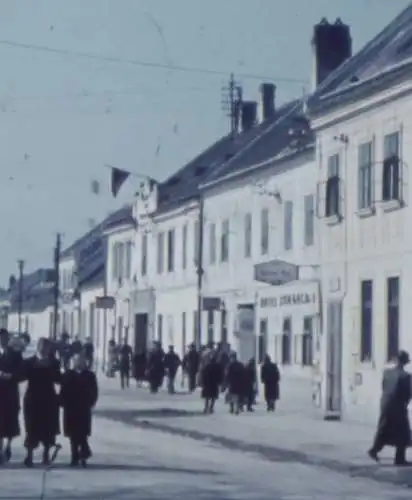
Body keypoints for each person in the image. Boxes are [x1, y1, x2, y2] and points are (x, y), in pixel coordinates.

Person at [21, 337, 61, 467]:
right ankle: (29, 456)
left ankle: (46, 454)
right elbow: (21, 376)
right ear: (38, 347)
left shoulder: (54, 363)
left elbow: (58, 379)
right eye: (42, 347)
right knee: (31, 428)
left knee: (48, 428)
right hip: (32, 400)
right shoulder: (29, 362)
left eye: (47, 347)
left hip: (49, 399)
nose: (44, 350)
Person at [368, 350, 411, 466]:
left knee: (384, 428)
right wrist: (405, 403)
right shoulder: (405, 376)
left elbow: (384, 386)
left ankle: (374, 449)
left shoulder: (386, 372)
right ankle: (399, 458)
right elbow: (407, 393)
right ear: (405, 362)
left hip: (385, 402)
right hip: (398, 405)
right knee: (402, 431)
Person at [60, 352, 98, 467]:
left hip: (83, 407)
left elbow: (94, 391)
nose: (78, 362)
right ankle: (74, 457)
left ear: (84, 361)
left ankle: (83, 455)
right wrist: (62, 402)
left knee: (82, 433)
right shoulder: (68, 374)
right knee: (72, 435)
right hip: (70, 408)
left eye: (81, 360)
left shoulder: (89, 375)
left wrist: (91, 402)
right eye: (76, 360)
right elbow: (63, 390)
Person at [0, 330, 23, 464]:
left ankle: (8, 446)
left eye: (5, 338)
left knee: (10, 421)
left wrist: (11, 376)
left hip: (10, 392)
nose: (3, 340)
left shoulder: (15, 354)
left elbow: (22, 372)